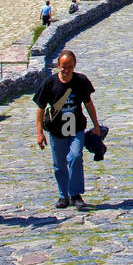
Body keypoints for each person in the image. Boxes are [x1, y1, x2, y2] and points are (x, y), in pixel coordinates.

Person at [34, 49, 100, 210]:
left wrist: (96, 125)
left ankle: (75, 194)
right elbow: (40, 108)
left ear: (74, 66)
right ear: (58, 66)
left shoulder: (81, 81)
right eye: (63, 67)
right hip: (57, 129)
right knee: (59, 163)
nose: (66, 70)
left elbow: (88, 103)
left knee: (76, 156)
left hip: (76, 126)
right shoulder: (49, 83)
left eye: (69, 67)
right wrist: (39, 132)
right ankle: (63, 195)